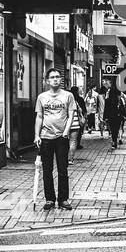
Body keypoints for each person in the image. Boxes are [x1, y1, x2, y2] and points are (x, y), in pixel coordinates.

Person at [35, 68, 78, 211]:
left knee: (62, 169)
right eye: (52, 77)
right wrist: (37, 135)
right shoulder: (42, 97)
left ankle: (63, 199)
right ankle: (49, 199)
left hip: (61, 137)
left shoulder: (68, 96)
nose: (55, 79)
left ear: (61, 80)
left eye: (58, 77)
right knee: (47, 170)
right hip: (46, 137)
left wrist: (66, 131)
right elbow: (39, 117)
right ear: (47, 81)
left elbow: (71, 115)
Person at [68, 85, 85, 153]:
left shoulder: (68, 99)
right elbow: (83, 109)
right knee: (76, 137)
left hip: (68, 120)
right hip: (77, 121)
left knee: (69, 137)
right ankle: (77, 144)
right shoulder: (80, 99)